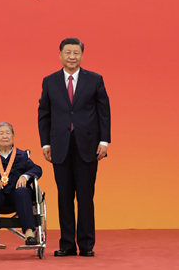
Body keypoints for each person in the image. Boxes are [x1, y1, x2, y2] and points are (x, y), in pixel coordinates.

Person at [38, 37, 111, 257]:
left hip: (87, 146)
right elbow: (44, 114)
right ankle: (67, 244)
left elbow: (104, 112)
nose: (72, 56)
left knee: (86, 197)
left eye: (76, 53)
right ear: (60, 55)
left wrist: (104, 141)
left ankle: (86, 244)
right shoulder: (49, 81)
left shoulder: (95, 79)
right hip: (60, 146)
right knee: (64, 196)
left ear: (82, 55)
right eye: (68, 52)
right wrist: (46, 143)